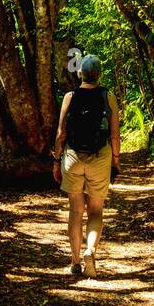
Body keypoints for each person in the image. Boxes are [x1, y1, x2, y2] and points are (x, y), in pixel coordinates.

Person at [52, 54, 120, 277]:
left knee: (75, 210)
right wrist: (116, 162)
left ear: (80, 73)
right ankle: (90, 250)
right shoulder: (107, 97)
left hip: (73, 157)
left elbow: (61, 133)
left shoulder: (70, 97)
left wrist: (56, 160)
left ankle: (74, 262)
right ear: (99, 74)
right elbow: (114, 135)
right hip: (100, 156)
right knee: (96, 210)